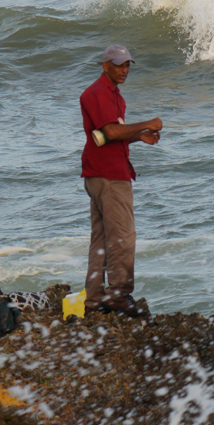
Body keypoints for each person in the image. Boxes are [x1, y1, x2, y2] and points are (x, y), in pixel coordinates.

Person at [79, 44, 163, 318]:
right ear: (105, 66)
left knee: (101, 238)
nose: (125, 70)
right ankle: (118, 294)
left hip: (99, 173)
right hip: (109, 175)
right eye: (119, 65)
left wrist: (140, 137)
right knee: (123, 237)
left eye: (128, 65)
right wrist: (146, 123)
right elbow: (111, 131)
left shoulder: (115, 96)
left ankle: (93, 301)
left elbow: (111, 134)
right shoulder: (98, 93)